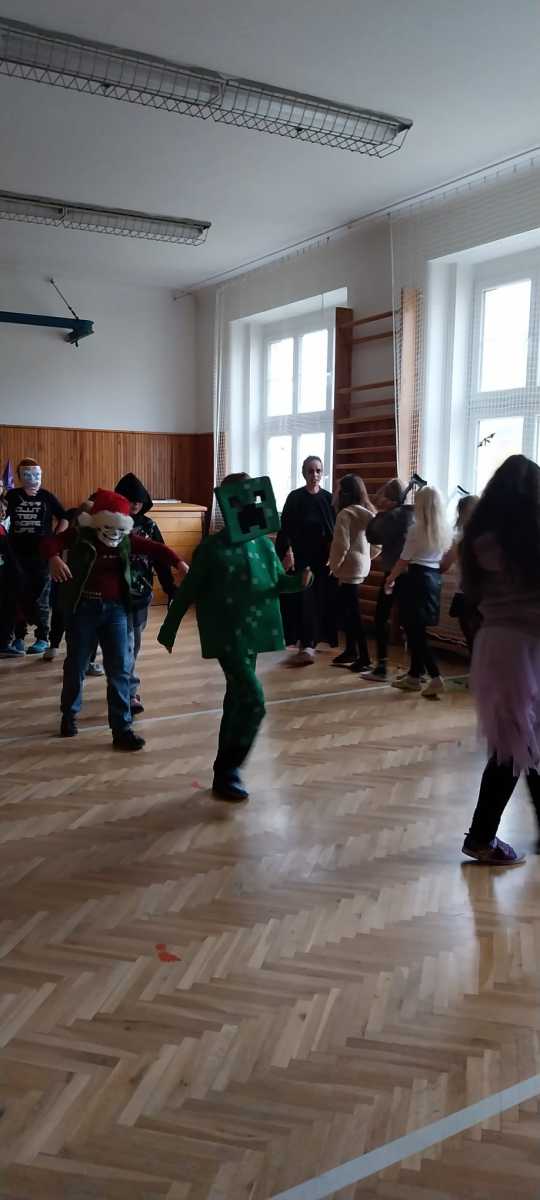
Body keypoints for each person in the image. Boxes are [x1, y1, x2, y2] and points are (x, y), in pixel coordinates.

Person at [158, 473, 313, 802]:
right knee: (254, 701)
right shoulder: (211, 549)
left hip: (253, 633)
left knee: (237, 699)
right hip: (227, 635)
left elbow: (278, 584)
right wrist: (169, 627)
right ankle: (230, 767)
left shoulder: (263, 545)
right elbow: (189, 590)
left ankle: (223, 772)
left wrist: (299, 580)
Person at [43, 489, 183, 750]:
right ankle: (69, 714)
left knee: (119, 668)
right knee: (76, 664)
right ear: (96, 522)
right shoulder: (81, 535)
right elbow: (51, 543)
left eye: (120, 528)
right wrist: (53, 558)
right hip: (84, 609)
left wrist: (179, 563)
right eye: (108, 526)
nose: (114, 534)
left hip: (116, 611)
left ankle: (122, 729)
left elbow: (156, 548)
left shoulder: (126, 540)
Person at [461, 455, 540, 866]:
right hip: (526, 648)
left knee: (519, 742)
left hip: (494, 646)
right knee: (518, 745)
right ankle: (480, 836)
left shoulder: (479, 540)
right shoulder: (531, 539)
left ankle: (482, 835)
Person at [114, 473, 177, 716]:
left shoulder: (150, 526)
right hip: (115, 595)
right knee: (126, 643)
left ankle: (122, 684)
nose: (135, 504)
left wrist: (170, 588)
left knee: (134, 642)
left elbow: (161, 558)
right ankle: (129, 692)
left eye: (138, 501)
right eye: (130, 500)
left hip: (141, 594)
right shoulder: (110, 523)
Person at [386, 485, 450, 698]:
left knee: (415, 634)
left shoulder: (416, 529)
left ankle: (435, 676)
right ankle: (414, 676)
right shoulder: (444, 530)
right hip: (433, 581)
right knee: (417, 630)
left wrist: (390, 578)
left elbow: (403, 559)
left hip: (416, 580)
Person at [1, 458, 68, 656]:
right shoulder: (12, 496)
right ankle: (19, 637)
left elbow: (64, 516)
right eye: (27, 474)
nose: (33, 478)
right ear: (20, 476)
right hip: (16, 555)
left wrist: (56, 538)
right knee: (19, 595)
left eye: (36, 474)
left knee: (42, 597)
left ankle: (42, 637)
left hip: (42, 555)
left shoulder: (47, 496)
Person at [275, 455, 336, 666]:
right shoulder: (295, 497)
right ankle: (305, 644)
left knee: (319, 600)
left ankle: (311, 642)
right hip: (301, 558)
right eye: (310, 471)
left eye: (318, 471)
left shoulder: (328, 498)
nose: (314, 475)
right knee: (303, 599)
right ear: (303, 473)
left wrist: (334, 556)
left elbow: (334, 530)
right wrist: (288, 552)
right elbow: (285, 529)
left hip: (322, 559)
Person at [43, 499, 104, 675]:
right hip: (70, 588)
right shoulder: (72, 536)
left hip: (81, 591)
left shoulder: (92, 537)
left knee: (79, 628)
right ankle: (74, 658)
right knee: (70, 624)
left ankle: (82, 659)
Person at [363, 478, 415, 681]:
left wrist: (382, 513)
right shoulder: (413, 514)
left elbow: (372, 535)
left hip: (394, 573)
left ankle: (382, 667)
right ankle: (415, 670)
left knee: (380, 617)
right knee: (410, 621)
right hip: (412, 573)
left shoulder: (392, 516)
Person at [328, 474, 379, 670]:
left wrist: (334, 566)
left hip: (348, 569)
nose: (335, 492)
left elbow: (341, 545)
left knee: (353, 614)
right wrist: (366, 557)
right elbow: (378, 543)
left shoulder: (345, 514)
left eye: (337, 489)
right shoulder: (368, 512)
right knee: (349, 611)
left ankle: (364, 657)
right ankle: (351, 651)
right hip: (360, 567)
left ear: (344, 493)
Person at [440, 494, 481, 654]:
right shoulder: (487, 535)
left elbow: (444, 565)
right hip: (481, 592)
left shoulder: (461, 538)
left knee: (472, 636)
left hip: (467, 592)